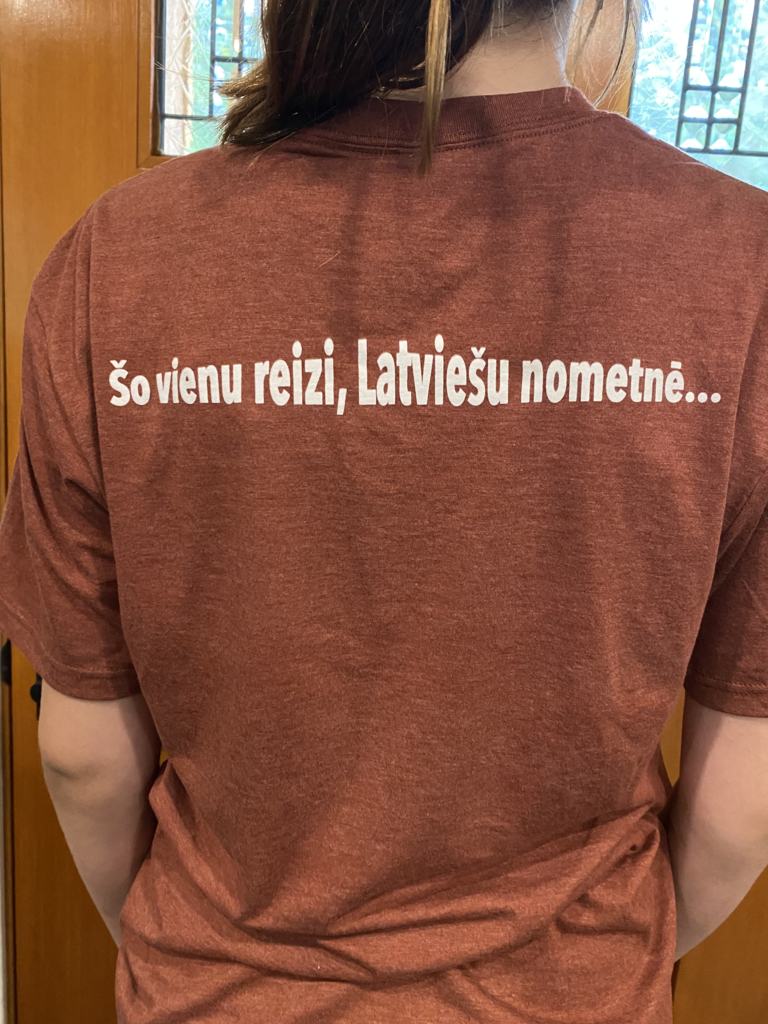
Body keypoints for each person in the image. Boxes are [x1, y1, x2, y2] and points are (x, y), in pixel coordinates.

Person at [1, 0, 767, 1020]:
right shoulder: (742, 265)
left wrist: (190, 958)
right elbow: (742, 801)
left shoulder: (116, 257)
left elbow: (83, 757)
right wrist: (601, 969)